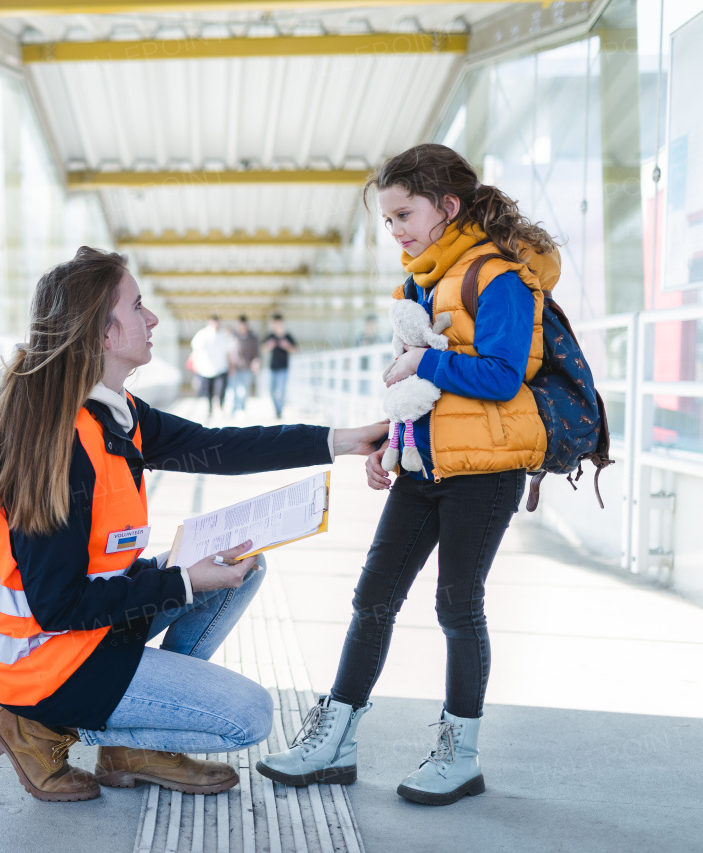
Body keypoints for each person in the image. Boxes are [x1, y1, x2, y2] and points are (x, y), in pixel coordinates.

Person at [0, 247, 388, 803]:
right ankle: (40, 726)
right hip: (44, 659)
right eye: (138, 306)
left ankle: (132, 745)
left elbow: (216, 446)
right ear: (103, 334)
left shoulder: (115, 410)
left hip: (84, 631)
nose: (152, 319)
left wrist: (340, 442)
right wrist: (184, 582)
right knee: (249, 716)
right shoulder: (59, 444)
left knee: (242, 565)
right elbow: (58, 605)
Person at [257, 144, 559, 806]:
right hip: (424, 467)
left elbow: (505, 375)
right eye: (388, 219)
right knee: (373, 596)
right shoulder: (421, 283)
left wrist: (425, 361)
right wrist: (393, 443)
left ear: (448, 207)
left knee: (456, 604)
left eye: (404, 214)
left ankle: (461, 754)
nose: (395, 229)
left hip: (487, 471)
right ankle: (333, 740)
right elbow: (418, 387)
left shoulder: (498, 277)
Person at [190, 315, 234, 418]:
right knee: (208, 391)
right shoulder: (202, 334)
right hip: (206, 369)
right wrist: (195, 364)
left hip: (221, 368)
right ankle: (210, 408)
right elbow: (196, 350)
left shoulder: (223, 335)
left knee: (221, 389)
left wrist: (231, 366)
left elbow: (228, 352)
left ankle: (220, 407)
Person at [262, 314, 298, 418]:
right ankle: (277, 409)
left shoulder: (288, 336)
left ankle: (279, 411)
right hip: (272, 368)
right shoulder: (270, 336)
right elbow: (263, 350)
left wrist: (287, 346)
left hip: (283, 368)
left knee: (281, 391)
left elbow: (295, 350)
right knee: (271, 391)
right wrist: (270, 345)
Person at [228, 316, 261, 414]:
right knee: (233, 391)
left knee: (244, 391)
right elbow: (229, 352)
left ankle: (241, 409)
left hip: (247, 368)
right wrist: (230, 366)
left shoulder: (253, 338)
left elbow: (257, 353)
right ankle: (234, 410)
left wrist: (256, 363)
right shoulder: (232, 337)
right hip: (235, 368)